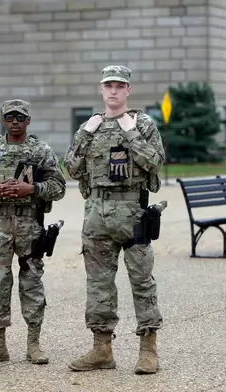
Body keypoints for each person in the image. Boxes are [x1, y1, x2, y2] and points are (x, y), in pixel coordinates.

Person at [63, 65, 165, 374]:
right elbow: (71, 168)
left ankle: (148, 349)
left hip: (132, 213)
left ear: (128, 90)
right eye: (109, 85)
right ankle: (101, 349)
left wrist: (130, 132)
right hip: (96, 214)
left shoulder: (143, 124)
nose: (114, 90)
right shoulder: (90, 127)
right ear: (101, 88)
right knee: (98, 286)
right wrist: (85, 133)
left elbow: (155, 162)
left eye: (120, 85)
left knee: (142, 281)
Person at [0, 99, 66, 365]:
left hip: (29, 224)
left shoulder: (40, 149)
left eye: (20, 117)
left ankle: (34, 344)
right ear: (3, 120)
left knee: (31, 281)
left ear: (28, 120)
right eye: (10, 117)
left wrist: (32, 190)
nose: (15, 121)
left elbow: (59, 185)